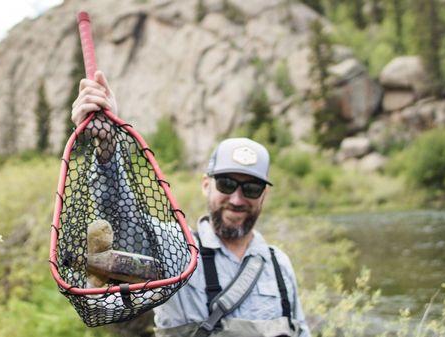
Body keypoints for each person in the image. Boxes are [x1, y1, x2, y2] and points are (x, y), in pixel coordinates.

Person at [71, 71, 310, 337]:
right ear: (206, 185)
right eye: (226, 184)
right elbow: (123, 219)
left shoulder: (279, 265)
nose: (237, 198)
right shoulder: (180, 250)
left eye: (251, 189)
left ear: (264, 196)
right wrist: (107, 145)